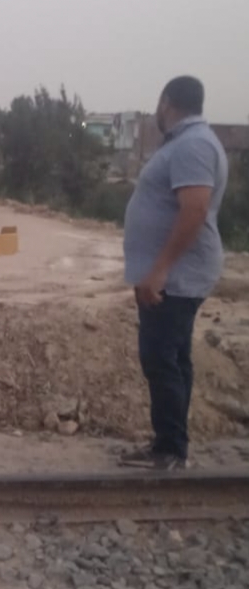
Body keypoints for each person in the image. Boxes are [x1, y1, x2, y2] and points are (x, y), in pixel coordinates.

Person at [121, 76, 228, 470]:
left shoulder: (193, 145)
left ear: (166, 102)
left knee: (161, 358)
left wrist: (160, 269)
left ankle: (170, 450)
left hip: (176, 276)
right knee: (174, 357)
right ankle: (171, 444)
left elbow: (194, 209)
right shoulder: (189, 142)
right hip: (176, 274)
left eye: (159, 103)